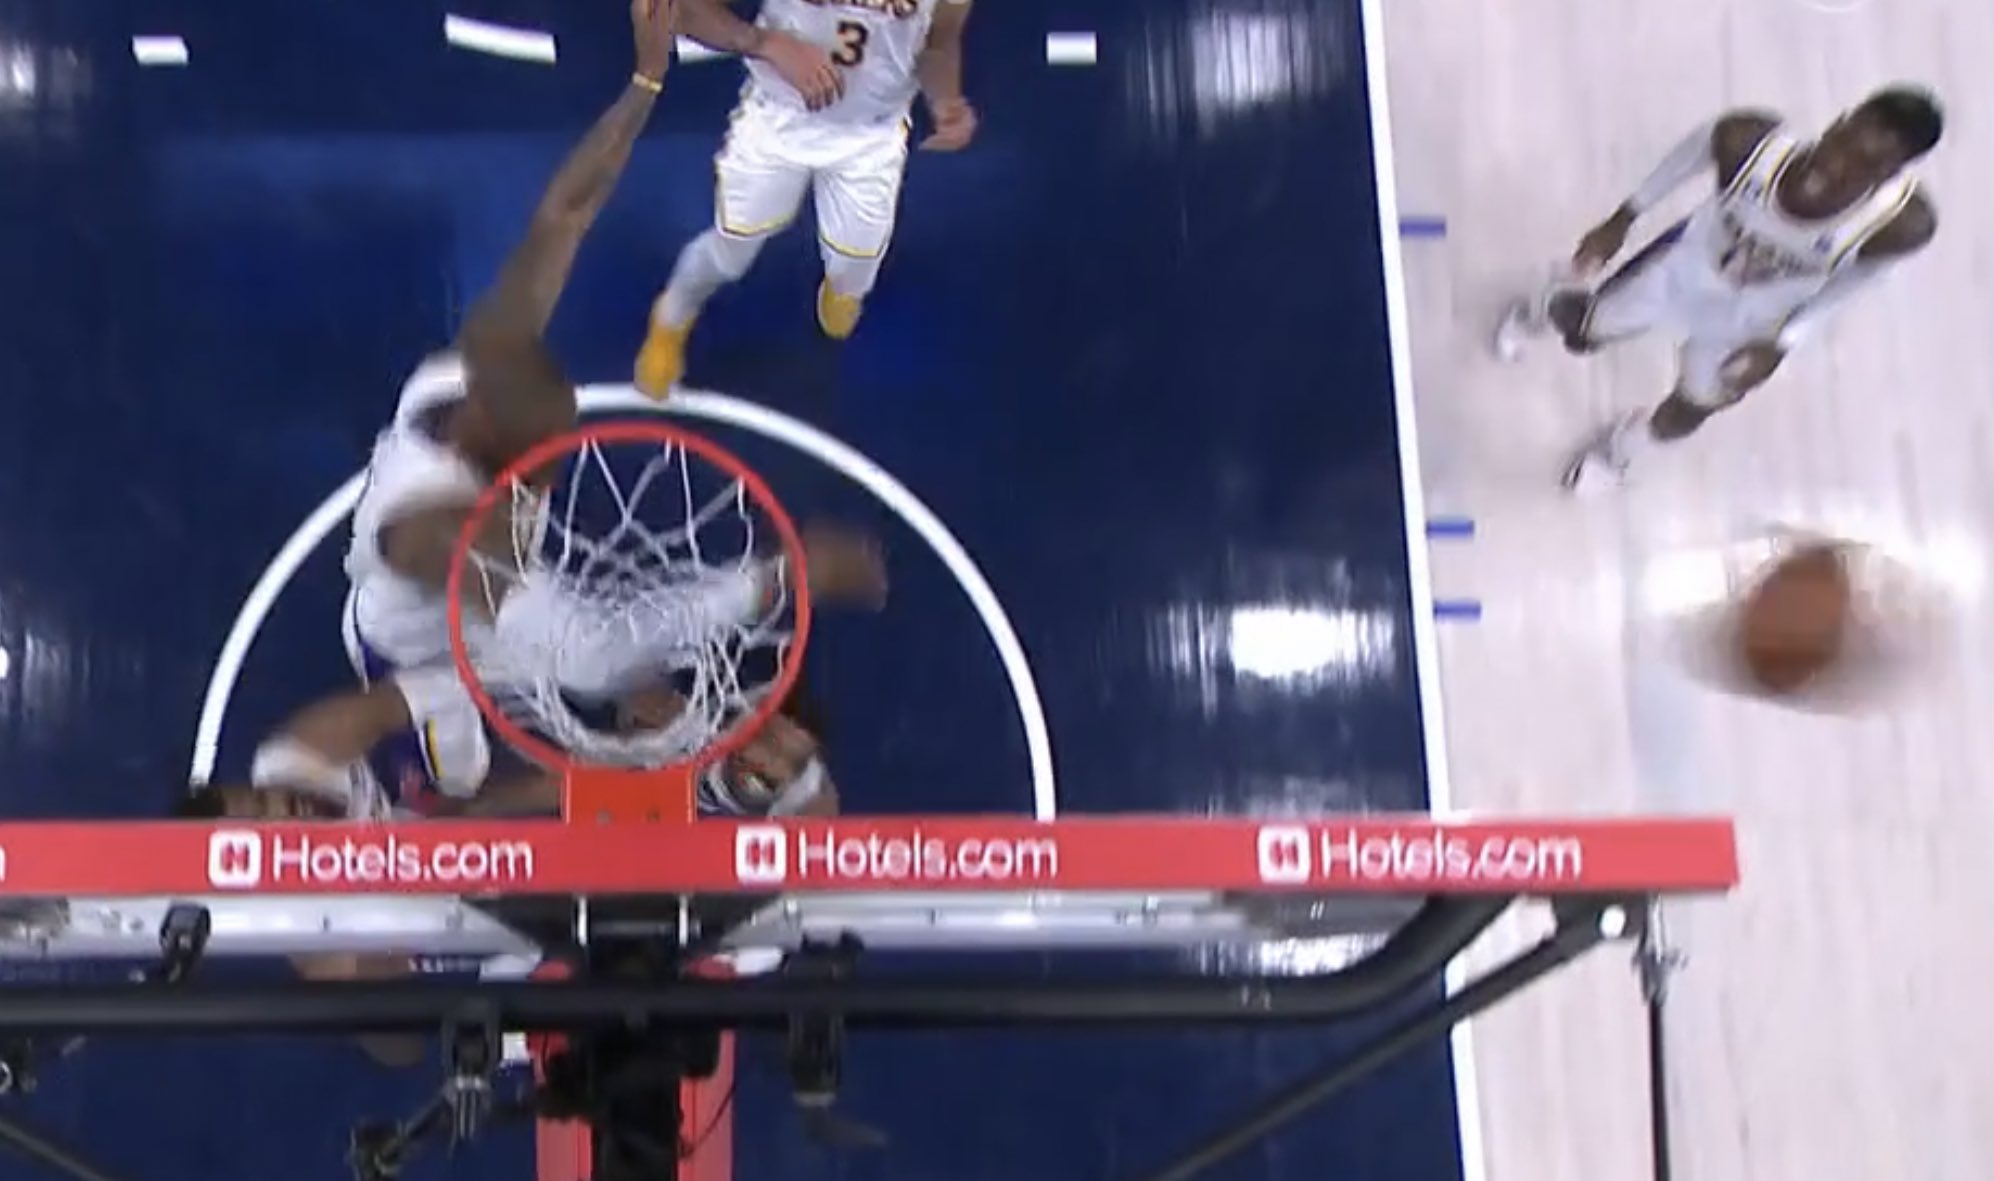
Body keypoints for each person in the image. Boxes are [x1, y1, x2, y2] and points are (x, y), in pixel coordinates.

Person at [342, 0, 886, 707]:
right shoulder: (431, 528)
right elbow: (590, 655)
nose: (556, 466)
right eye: (542, 456)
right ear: (491, 439)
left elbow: (565, 213)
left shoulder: (468, 367)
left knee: (643, 697)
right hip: (418, 658)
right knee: (574, 708)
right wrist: (781, 577)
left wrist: (645, 83)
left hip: (489, 591)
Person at [1492, 87, 1943, 492]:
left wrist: (1783, 343)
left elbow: (1854, 285)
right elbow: (1689, 155)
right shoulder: (1748, 142)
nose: (1840, 165)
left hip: (1752, 318)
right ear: (1838, 123)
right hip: (1685, 268)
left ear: (1890, 174)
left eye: (1865, 166)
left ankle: (1621, 451)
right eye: (1844, 145)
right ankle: (1541, 306)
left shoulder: (1899, 226)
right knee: (1584, 333)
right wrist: (1623, 218)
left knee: (1694, 406)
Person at [632, 0, 977, 395]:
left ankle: (843, 288)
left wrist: (946, 101)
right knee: (732, 249)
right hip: (777, 120)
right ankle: (672, 316)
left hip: (870, 137)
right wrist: (765, 42)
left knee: (855, 268)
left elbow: (938, 42)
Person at [174, 670, 841, 822]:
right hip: (441, 881)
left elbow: (437, 687)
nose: (285, 808)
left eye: (264, 799)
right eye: (269, 823)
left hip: (449, 777)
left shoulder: (304, 750)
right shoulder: (323, 936)